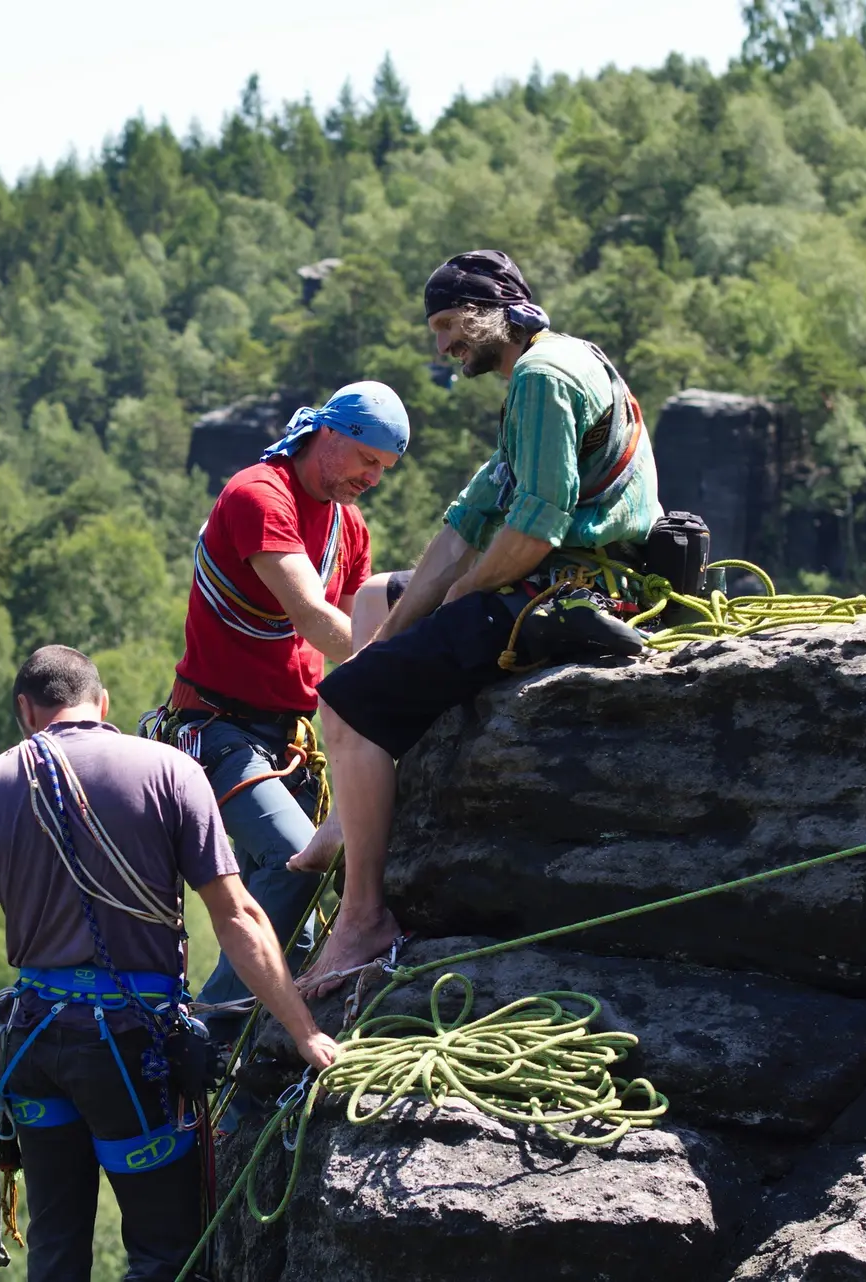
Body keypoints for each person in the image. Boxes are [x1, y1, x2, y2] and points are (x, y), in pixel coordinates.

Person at [292, 249, 663, 993]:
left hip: (564, 593)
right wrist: (388, 642)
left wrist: (462, 596)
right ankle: (350, 814)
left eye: (447, 325)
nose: (442, 347)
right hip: (558, 577)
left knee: (344, 702)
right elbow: (466, 527)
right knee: (378, 600)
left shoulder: (541, 379)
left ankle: (363, 918)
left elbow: (535, 528)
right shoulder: (561, 362)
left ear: (490, 309)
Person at [0, 645, 339, 1282]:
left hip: (33, 1047)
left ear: (26, 711)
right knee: (166, 1257)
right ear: (103, 705)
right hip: (130, 1048)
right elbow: (238, 917)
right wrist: (304, 1030)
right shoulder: (170, 772)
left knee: (54, 1250)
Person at [151, 381, 408, 1019]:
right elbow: (317, 620)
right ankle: (213, 1031)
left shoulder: (348, 527)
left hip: (289, 737)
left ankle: (263, 1035)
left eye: (384, 468)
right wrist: (409, 671)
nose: (373, 479)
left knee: (308, 909)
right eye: (367, 460)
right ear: (330, 435)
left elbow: (353, 634)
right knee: (296, 863)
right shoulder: (260, 497)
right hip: (218, 728)